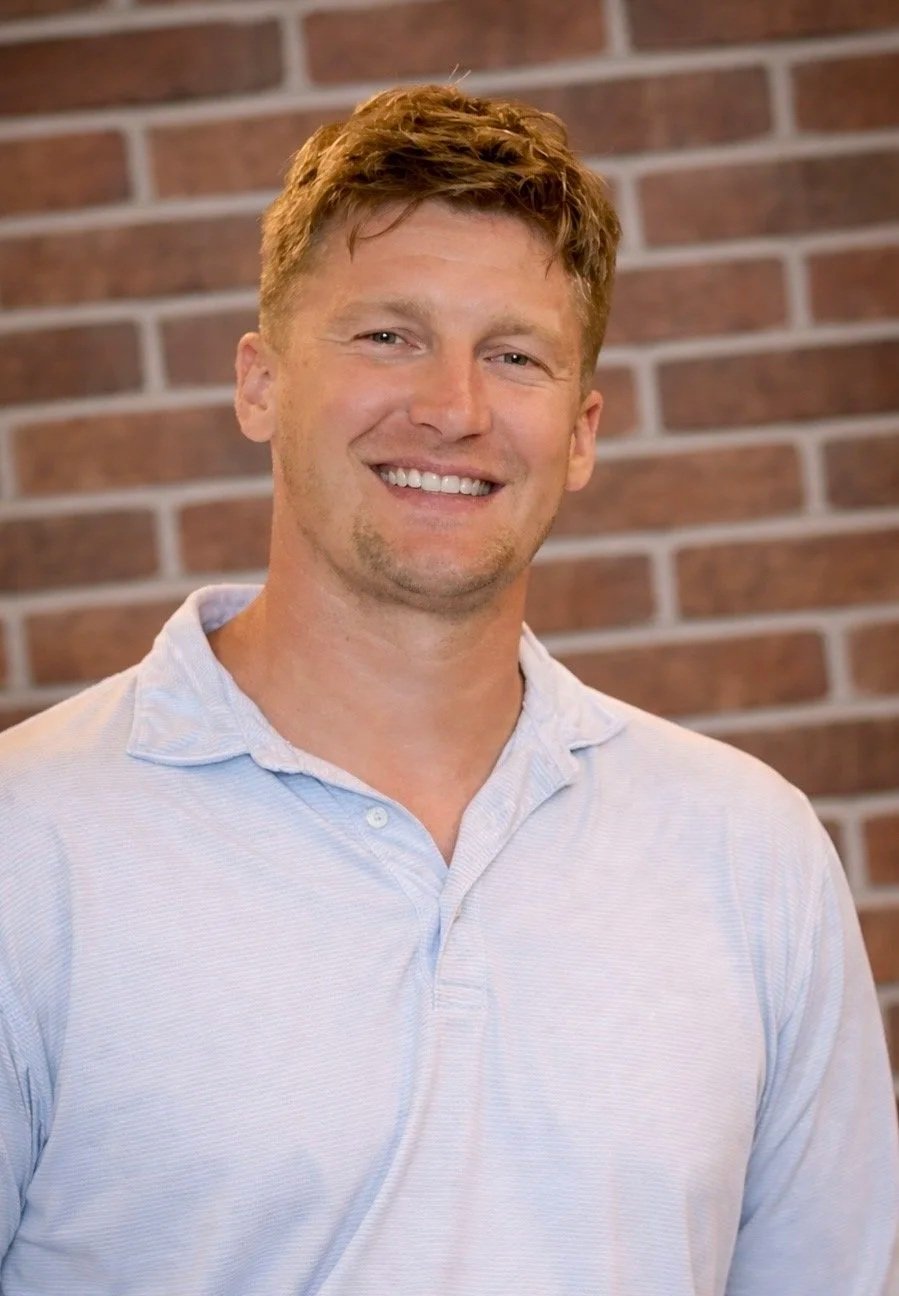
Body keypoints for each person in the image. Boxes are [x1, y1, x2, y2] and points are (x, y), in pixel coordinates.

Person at [0, 83, 896, 1296]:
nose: (452, 410)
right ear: (260, 384)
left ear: (579, 433)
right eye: (388, 336)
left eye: (512, 356)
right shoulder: (29, 843)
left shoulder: (751, 855)